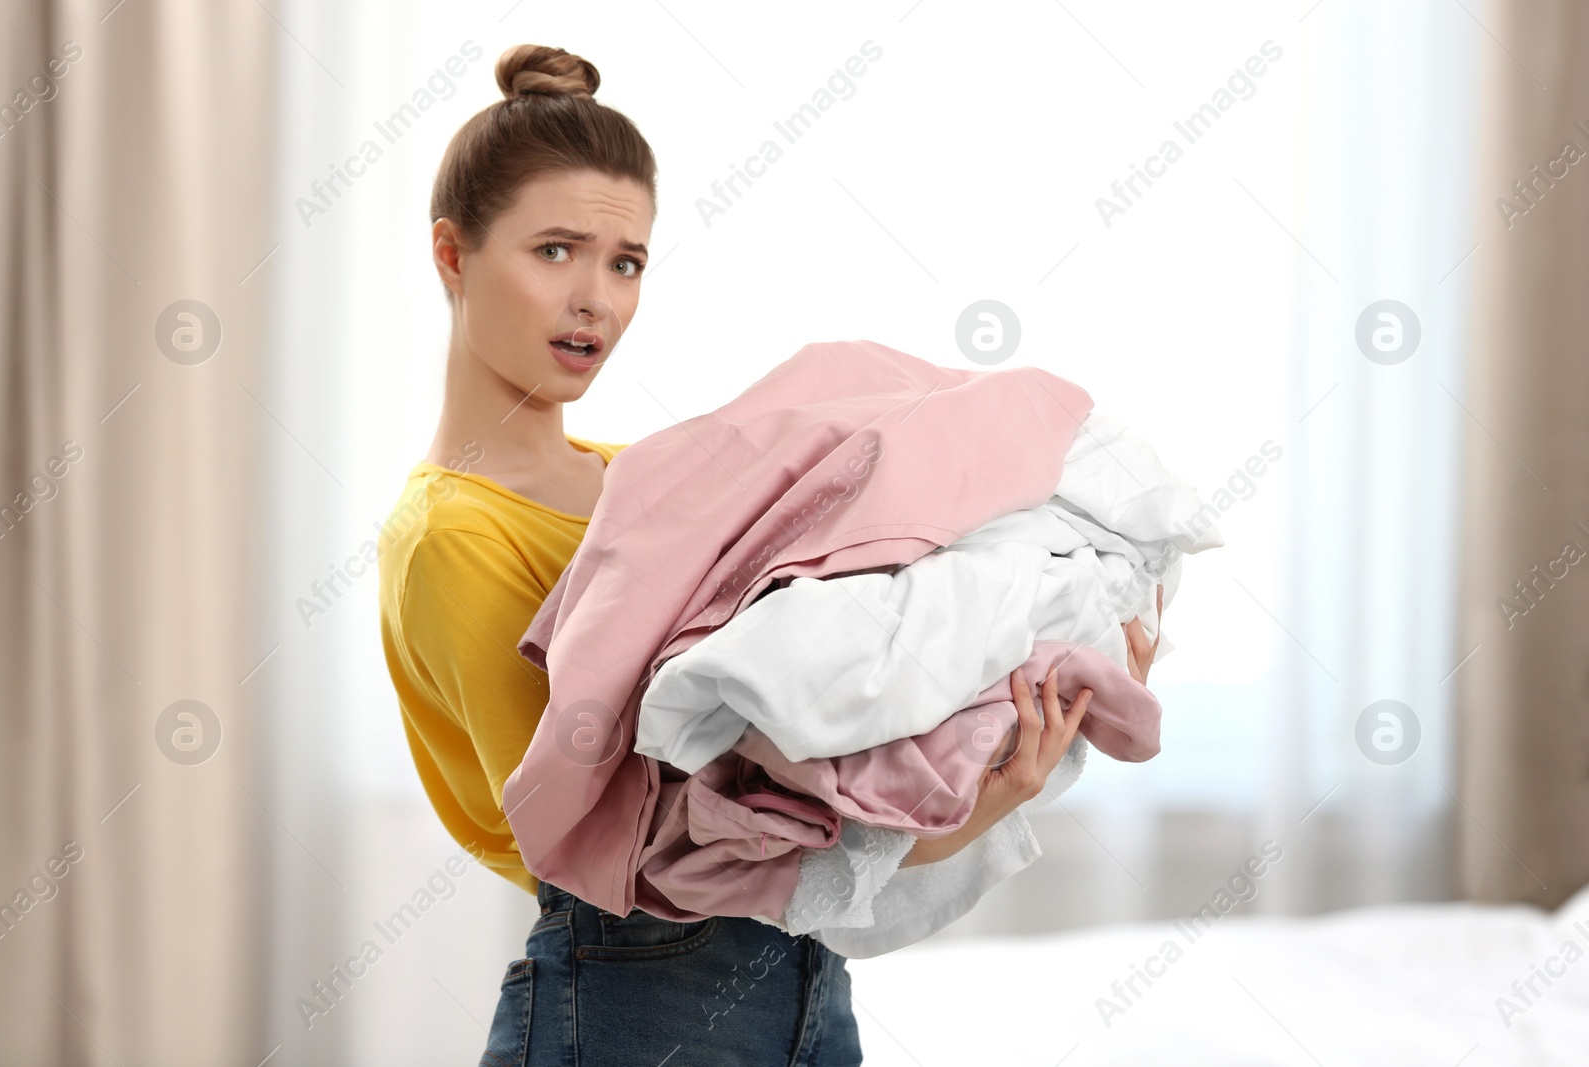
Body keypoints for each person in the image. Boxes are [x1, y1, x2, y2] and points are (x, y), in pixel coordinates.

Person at [377, 42, 1162, 1066]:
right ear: (452, 254)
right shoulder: (451, 532)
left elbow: (805, 715)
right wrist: (952, 806)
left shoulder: (642, 478)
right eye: (554, 250)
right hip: (632, 996)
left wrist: (999, 723)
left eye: (627, 262)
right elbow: (617, 839)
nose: (597, 301)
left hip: (804, 981)